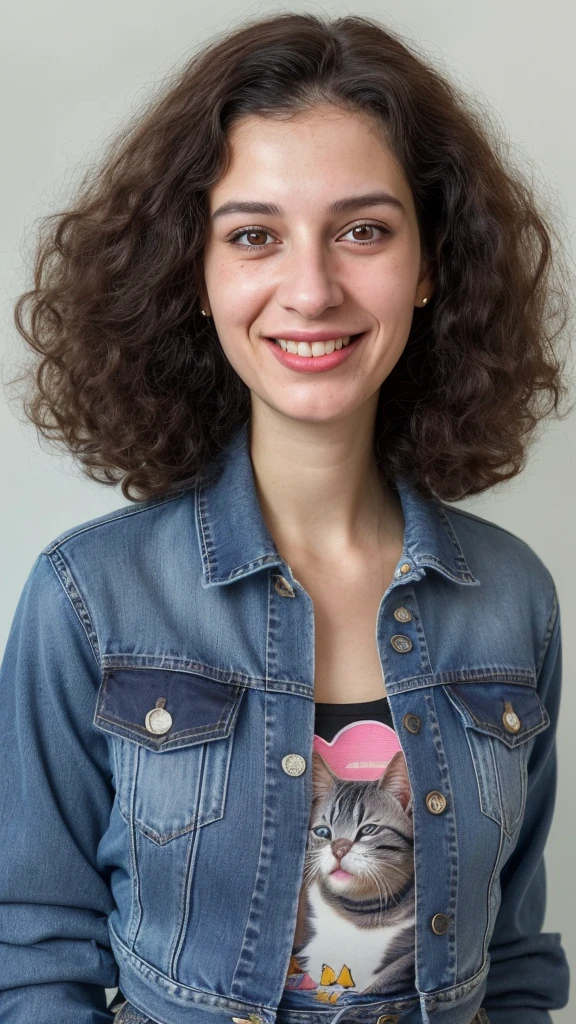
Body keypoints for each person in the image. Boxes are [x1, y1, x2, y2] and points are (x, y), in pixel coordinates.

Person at [1, 10, 573, 1024]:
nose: (310, 289)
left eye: (363, 231)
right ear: (199, 272)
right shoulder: (86, 599)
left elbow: (516, 957)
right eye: (254, 235)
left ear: (431, 265)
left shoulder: (514, 600)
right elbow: (31, 949)